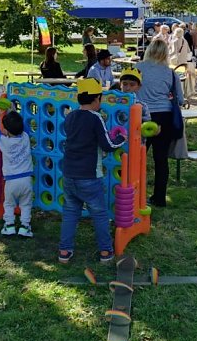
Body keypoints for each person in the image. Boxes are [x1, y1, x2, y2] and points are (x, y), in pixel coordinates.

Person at [58, 78, 126, 264]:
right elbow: (108, 145)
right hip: (89, 176)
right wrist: (121, 138)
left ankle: (64, 251)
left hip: (69, 174)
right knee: (99, 214)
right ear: (97, 99)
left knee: (70, 213)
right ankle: (105, 251)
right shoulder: (96, 118)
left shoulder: (71, 116)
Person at [136, 39, 183, 207]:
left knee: (136, 157)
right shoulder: (170, 73)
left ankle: (134, 194)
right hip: (164, 116)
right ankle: (159, 197)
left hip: (140, 115)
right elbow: (181, 99)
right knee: (161, 159)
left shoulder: (138, 68)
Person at [0, 109, 34, 238]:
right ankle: (25, 227)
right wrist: (15, 111)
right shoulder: (26, 137)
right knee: (26, 204)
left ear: (6, 131)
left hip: (11, 181)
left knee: (9, 204)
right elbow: (25, 127)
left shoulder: (4, 141)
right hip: (26, 179)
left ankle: (9, 226)